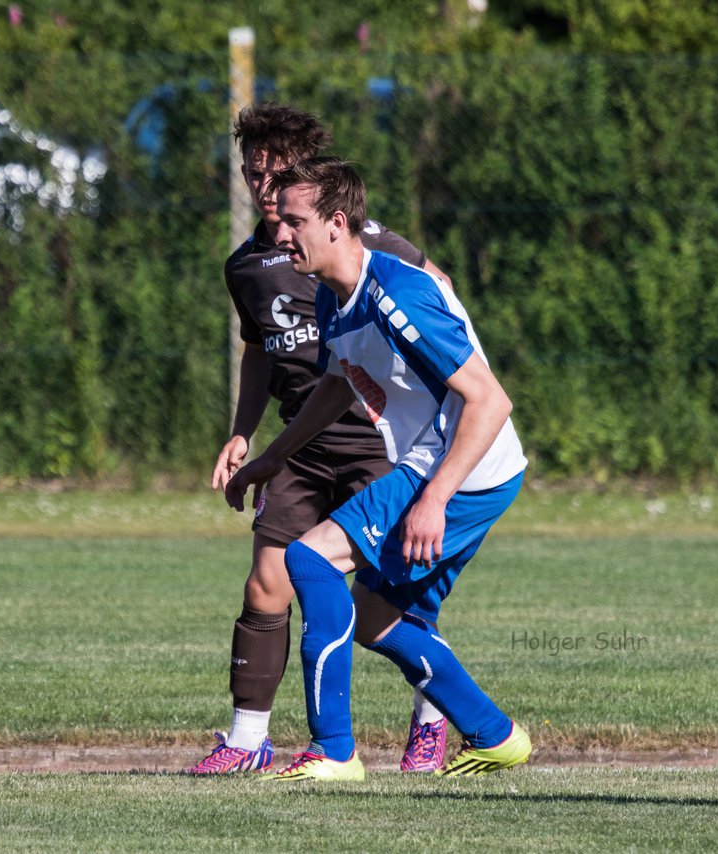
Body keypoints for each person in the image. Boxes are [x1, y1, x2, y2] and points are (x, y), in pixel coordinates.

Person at [223, 157, 530, 781]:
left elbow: (491, 399)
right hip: (453, 463)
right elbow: (339, 385)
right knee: (372, 617)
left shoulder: (397, 292)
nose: (281, 235)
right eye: (279, 222)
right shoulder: (339, 300)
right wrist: (272, 458)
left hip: (462, 463)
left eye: (295, 222)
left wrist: (436, 497)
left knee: (307, 560)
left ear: (337, 223)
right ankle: (495, 734)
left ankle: (335, 752)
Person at [186, 104, 457, 775]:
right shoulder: (248, 264)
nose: (260, 183)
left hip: (377, 444)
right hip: (301, 445)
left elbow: (439, 294)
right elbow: (260, 351)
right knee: (265, 584)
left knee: (391, 595)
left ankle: (432, 717)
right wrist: (243, 432)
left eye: (272, 170)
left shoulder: (356, 240)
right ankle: (248, 741)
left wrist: (426, 396)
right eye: (251, 171)